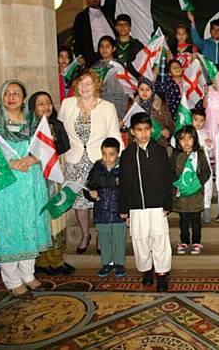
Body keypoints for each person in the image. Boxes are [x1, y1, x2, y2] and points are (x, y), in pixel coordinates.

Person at [0, 80, 51, 299]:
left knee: (29, 225)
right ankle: (12, 280)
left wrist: (31, 158)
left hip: (30, 181)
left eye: (16, 93)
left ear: (23, 97)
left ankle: (28, 275)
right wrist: (10, 164)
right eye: (7, 93)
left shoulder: (34, 121)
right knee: (8, 228)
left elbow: (47, 146)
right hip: (5, 184)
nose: (11, 97)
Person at [59, 70, 124, 255]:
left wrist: (121, 163)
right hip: (75, 160)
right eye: (81, 83)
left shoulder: (107, 107)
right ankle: (85, 235)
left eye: (89, 83)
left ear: (96, 86)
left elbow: (114, 135)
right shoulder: (67, 104)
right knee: (80, 202)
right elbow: (60, 133)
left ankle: (100, 237)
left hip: (100, 161)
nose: (84, 87)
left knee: (100, 201)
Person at [120, 113, 173, 291]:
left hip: (157, 205)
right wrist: (124, 208)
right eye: (139, 130)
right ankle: (147, 270)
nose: (143, 134)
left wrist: (167, 203)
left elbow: (167, 178)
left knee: (160, 240)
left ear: (151, 130)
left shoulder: (159, 151)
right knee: (140, 241)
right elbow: (124, 183)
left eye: (146, 130)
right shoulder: (127, 155)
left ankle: (162, 274)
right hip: (136, 207)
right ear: (133, 132)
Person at [28, 92, 74, 276]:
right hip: (37, 179)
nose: (46, 107)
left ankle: (57, 259)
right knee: (42, 219)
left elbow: (64, 147)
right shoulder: (29, 129)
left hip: (56, 176)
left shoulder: (58, 125)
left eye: (48, 103)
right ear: (33, 108)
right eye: (41, 104)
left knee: (57, 217)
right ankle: (42, 261)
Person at [85, 137, 126, 277]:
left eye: (111, 154)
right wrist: (91, 193)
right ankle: (107, 263)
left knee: (119, 238)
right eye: (104, 153)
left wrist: (126, 210)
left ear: (118, 153)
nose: (107, 158)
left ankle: (119, 264)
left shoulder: (124, 167)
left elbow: (128, 188)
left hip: (118, 210)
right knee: (104, 238)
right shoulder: (97, 167)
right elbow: (89, 185)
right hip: (101, 209)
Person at [171, 125, 211, 255]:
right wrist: (176, 184)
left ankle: (196, 242)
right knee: (183, 221)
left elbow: (206, 171)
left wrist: (198, 183)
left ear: (195, 139)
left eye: (189, 138)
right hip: (182, 196)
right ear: (178, 141)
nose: (186, 142)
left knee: (196, 221)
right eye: (182, 139)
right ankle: (184, 241)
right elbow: (170, 172)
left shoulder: (199, 154)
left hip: (196, 194)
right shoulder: (176, 155)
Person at [72, 0, 117, 65]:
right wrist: (80, 56)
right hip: (92, 56)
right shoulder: (81, 17)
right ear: (86, 1)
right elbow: (77, 38)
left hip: (112, 54)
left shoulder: (107, 11)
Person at [90, 35, 130, 117]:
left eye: (107, 46)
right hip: (97, 105)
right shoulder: (94, 67)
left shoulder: (118, 67)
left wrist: (121, 110)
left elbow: (125, 91)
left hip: (115, 106)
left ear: (113, 49)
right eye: (101, 46)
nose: (104, 49)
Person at [133, 77, 174, 145]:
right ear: (138, 90)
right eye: (141, 89)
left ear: (152, 90)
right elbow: (127, 128)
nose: (144, 92)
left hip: (159, 142)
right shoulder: (132, 106)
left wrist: (168, 131)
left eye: (148, 90)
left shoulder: (161, 105)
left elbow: (171, 124)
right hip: (137, 143)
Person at [191, 108, 214, 223]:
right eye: (196, 120)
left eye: (201, 121)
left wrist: (209, 145)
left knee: (207, 185)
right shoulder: (186, 133)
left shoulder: (205, 134)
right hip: (192, 166)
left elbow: (209, 148)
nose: (198, 123)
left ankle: (207, 207)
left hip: (204, 165)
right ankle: (195, 210)